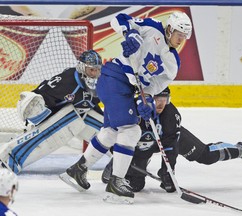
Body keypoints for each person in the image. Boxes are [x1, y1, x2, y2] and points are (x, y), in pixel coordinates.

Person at [60, 11, 193, 203]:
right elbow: (120, 19)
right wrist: (130, 33)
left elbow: (154, 86)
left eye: (184, 37)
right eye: (179, 34)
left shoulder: (173, 62)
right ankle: (116, 184)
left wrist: (145, 99)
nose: (181, 40)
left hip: (127, 88)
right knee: (131, 131)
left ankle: (77, 170)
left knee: (111, 131)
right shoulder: (152, 27)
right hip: (114, 76)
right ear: (170, 28)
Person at [101, 87, 242, 193]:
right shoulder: (129, 112)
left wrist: (167, 173)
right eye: (157, 99)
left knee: (206, 156)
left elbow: (171, 147)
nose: (161, 104)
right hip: (138, 148)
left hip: (166, 140)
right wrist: (119, 158)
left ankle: (241, 149)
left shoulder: (170, 116)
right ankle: (116, 165)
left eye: (164, 100)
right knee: (135, 185)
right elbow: (112, 136)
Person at [0, 50, 104, 174]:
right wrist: (39, 118)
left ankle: (125, 160)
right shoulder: (67, 81)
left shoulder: (101, 84)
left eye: (97, 70)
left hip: (78, 115)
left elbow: (93, 106)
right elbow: (38, 97)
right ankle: (8, 158)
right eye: (91, 70)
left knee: (107, 131)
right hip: (54, 116)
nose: (94, 74)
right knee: (70, 119)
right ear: (82, 67)